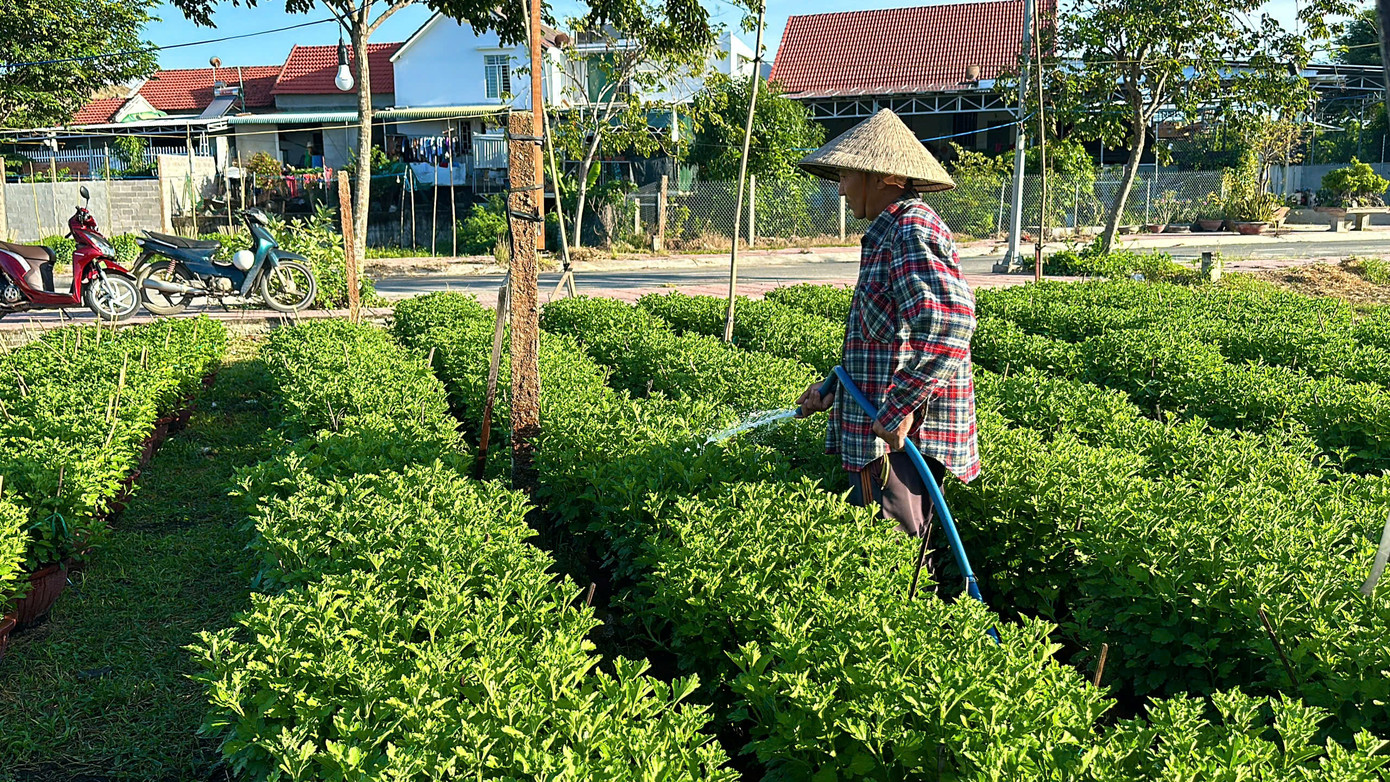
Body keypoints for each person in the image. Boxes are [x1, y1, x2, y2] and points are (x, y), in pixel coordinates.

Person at [795, 109, 980, 542]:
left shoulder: (911, 229)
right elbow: (885, 339)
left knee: (894, 553)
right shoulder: (890, 231)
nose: (841, 188)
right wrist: (833, 388)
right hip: (881, 431)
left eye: (846, 175)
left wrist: (900, 409)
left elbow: (950, 325)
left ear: (886, 178)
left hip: (899, 442)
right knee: (881, 552)